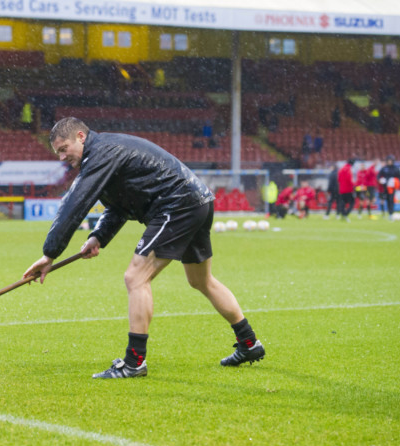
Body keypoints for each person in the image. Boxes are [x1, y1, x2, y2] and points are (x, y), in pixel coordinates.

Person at [23, 117, 265, 379]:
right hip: (197, 202)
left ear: (81, 137)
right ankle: (249, 343)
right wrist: (98, 237)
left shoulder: (100, 154)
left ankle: (134, 363)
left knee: (136, 277)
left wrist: (50, 254)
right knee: (201, 280)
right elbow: (119, 206)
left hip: (177, 205)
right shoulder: (104, 153)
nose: (61, 157)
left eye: (63, 149)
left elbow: (76, 203)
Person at [378, 155, 400, 220]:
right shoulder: (384, 168)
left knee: (391, 200)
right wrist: (380, 180)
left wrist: (395, 182)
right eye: (388, 160)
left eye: (390, 160)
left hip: (392, 188)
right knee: (387, 200)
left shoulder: (396, 168)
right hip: (385, 187)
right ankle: (388, 213)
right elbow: (379, 175)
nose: (389, 162)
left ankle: (391, 213)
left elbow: (399, 177)